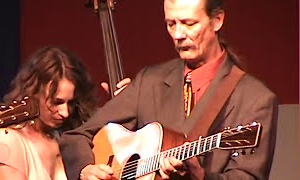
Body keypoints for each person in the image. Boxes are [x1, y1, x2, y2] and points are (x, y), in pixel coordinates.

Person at [59, 0, 278, 179]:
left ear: (217, 20)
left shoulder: (255, 100)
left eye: (189, 23)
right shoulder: (149, 81)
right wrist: (85, 169)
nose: (178, 34)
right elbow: (77, 136)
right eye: (171, 24)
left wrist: (199, 176)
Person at [0, 46, 129, 180]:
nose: (65, 112)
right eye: (57, 102)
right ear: (34, 92)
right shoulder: (5, 139)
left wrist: (124, 106)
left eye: (70, 103)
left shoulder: (67, 137)